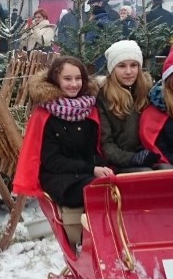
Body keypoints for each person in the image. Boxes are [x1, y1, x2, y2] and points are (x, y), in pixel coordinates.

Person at [13, 56, 113, 207]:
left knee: (116, 185)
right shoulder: (45, 115)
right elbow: (51, 161)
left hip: (87, 172)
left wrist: (104, 167)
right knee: (96, 190)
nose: (74, 84)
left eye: (78, 78)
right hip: (58, 177)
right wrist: (92, 169)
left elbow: (93, 150)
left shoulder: (88, 110)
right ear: (56, 80)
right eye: (67, 79)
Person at [96, 40, 158, 173]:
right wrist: (132, 159)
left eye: (134, 65)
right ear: (112, 69)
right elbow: (105, 144)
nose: (129, 71)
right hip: (117, 162)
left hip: (148, 155)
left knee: (167, 171)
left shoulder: (148, 92)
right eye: (122, 66)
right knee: (145, 173)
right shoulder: (102, 96)